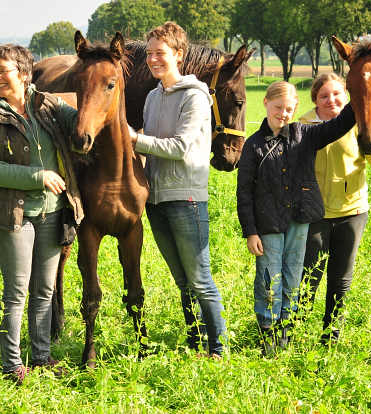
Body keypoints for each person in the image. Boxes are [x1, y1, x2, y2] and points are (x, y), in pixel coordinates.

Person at [0, 44, 82, 385]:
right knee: (17, 291)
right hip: (14, 215)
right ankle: (11, 364)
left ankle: (42, 356)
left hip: (52, 213)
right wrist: (39, 176)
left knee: (44, 290)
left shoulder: (48, 106)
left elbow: (83, 120)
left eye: (2, 70)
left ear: (23, 73)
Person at [128, 21, 227, 359]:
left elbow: (180, 146)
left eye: (161, 53)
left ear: (179, 55)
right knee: (182, 281)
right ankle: (195, 343)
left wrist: (135, 138)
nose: (154, 59)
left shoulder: (195, 96)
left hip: (186, 199)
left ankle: (218, 348)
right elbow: (145, 150)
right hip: (156, 200)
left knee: (200, 280)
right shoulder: (153, 97)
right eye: (150, 53)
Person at [236, 81, 356, 356]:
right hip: (267, 226)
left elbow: (338, 125)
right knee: (269, 280)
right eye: (278, 107)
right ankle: (268, 339)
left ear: (296, 109)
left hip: (299, 222)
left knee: (292, 278)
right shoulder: (253, 145)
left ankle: (285, 338)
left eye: (289, 109)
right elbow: (244, 191)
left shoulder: (305, 135)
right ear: (265, 103)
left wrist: (359, 95)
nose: (283, 114)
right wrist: (250, 231)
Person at [299, 73, 371, 345]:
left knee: (340, 280)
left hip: (352, 211)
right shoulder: (301, 126)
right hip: (314, 215)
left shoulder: (359, 125)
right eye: (324, 95)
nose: (331, 100)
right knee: (308, 278)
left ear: (347, 97)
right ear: (315, 99)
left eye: (337, 94)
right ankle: (298, 331)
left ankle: (331, 338)